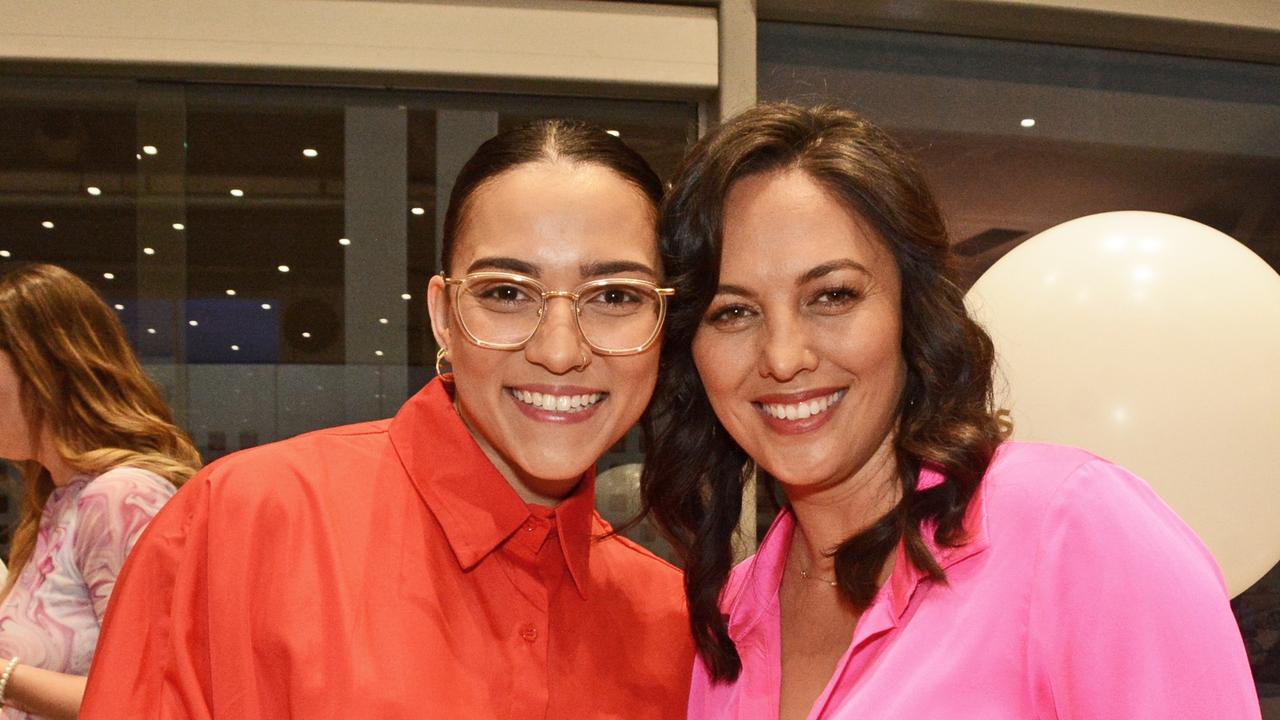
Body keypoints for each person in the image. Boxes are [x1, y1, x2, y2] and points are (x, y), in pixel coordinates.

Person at [642, 103, 1261, 719]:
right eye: (733, 311)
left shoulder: (1072, 530)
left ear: (911, 309)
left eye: (832, 296)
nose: (782, 357)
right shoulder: (729, 613)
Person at [79, 120, 694, 719]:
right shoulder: (243, 525)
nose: (560, 351)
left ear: (663, 325)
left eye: (615, 296)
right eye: (507, 292)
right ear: (443, 315)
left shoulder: (669, 624)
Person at [0, 263, 200, 720]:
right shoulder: (58, 499)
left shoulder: (120, 497)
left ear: (43, 368)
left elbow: (151, 695)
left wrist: (5, 678)